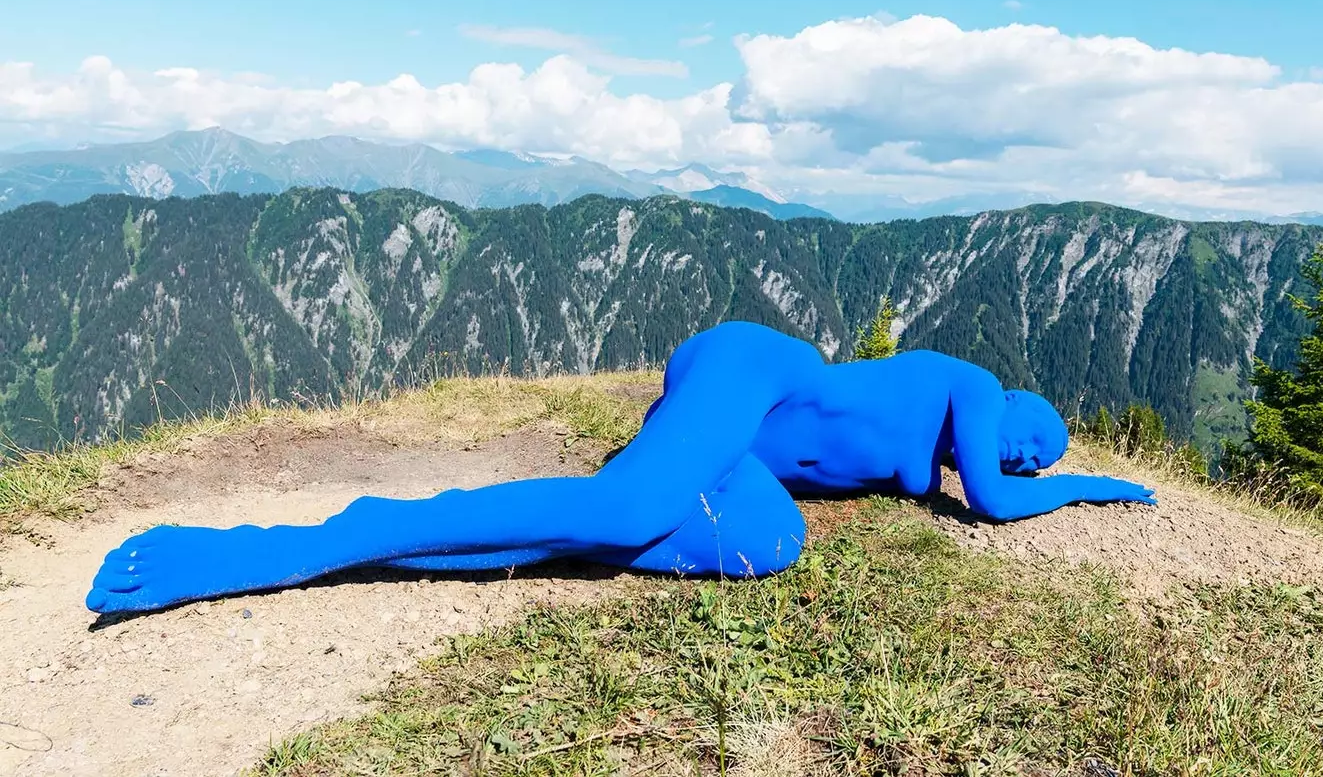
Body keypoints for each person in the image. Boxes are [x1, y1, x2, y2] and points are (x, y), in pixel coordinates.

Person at [86, 321, 1155, 614]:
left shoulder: (950, 443)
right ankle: (298, 547)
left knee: (767, 545)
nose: (1020, 453)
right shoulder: (967, 384)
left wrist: (1065, 472)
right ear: (1014, 402)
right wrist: (1091, 484)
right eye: (1032, 435)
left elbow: (988, 488)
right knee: (633, 501)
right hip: (756, 368)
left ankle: (557, 526)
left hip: (737, 457)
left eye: (1035, 453)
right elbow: (1004, 509)